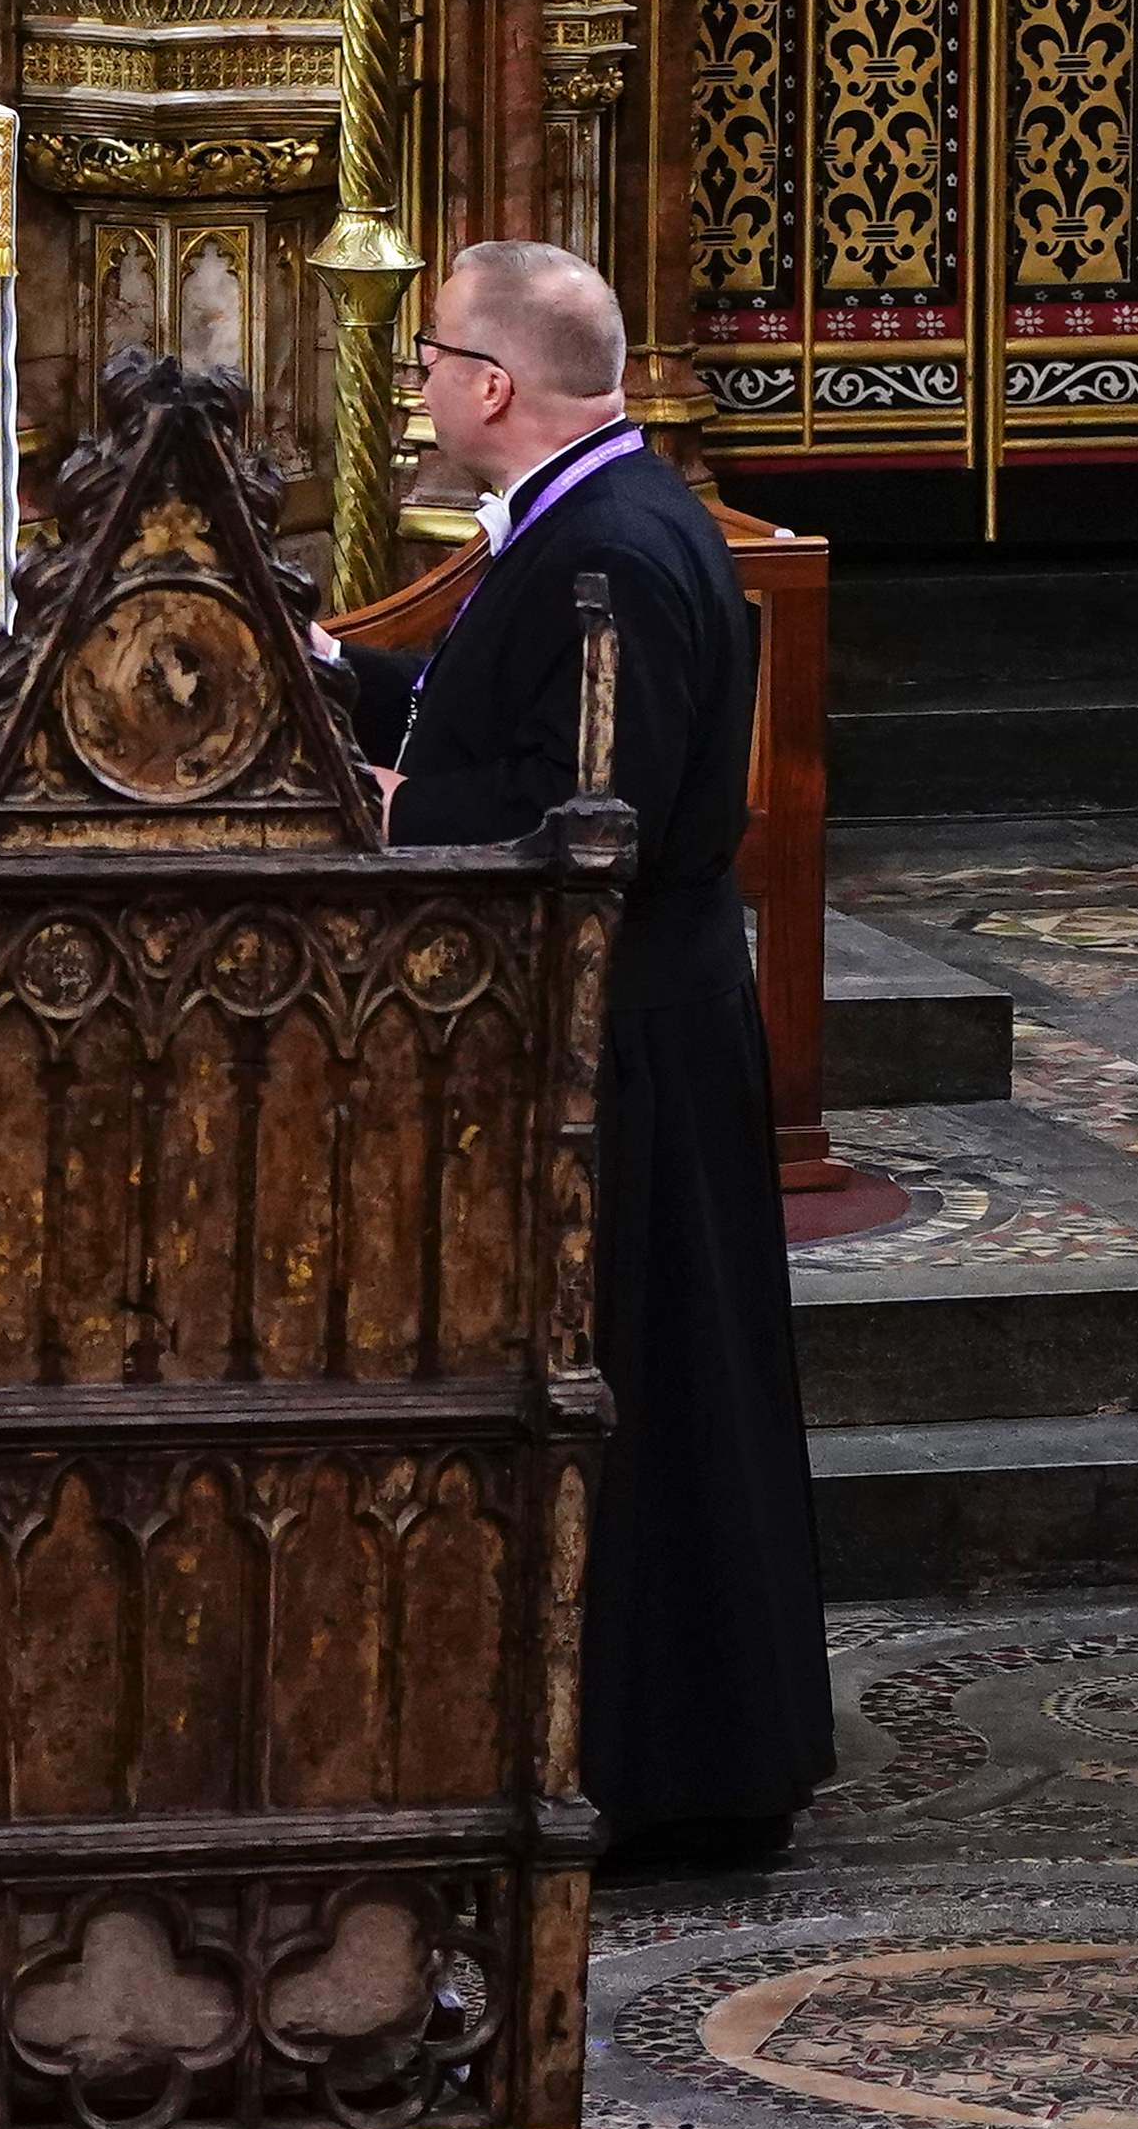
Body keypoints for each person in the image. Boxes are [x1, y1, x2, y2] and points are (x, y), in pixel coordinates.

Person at [335, 241, 830, 1862]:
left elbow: (582, 812)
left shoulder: (603, 552)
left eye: (427, 362)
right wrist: (348, 683)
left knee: (637, 1386)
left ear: (492, 386)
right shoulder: (603, 521)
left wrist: (402, 813)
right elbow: (514, 719)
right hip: (633, 1020)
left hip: (616, 1042)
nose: (413, 389)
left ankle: (655, 1763)